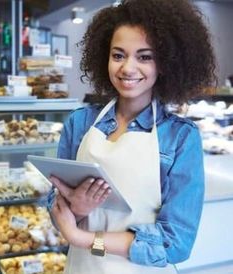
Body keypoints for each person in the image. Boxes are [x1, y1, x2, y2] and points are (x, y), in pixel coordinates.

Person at [48, 0, 217, 273]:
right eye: (118, 55)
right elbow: (56, 209)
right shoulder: (79, 123)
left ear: (165, 64)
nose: (128, 68)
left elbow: (176, 243)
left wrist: (85, 238)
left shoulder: (180, 138)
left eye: (144, 56)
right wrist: (77, 209)